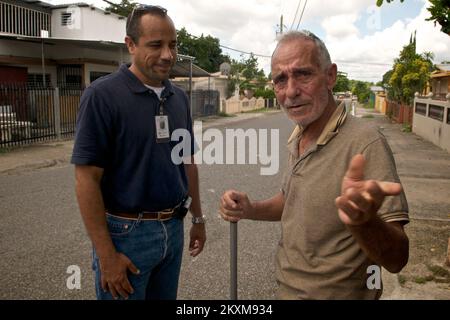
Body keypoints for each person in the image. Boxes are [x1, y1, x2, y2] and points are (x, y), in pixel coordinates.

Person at [219, 30, 409, 299]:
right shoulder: (300, 133)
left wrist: (364, 222)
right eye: (280, 79)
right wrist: (250, 208)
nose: (291, 91)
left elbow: (397, 259)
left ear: (330, 76)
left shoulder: (366, 143)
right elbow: (292, 200)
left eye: (303, 74)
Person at [71, 5, 206, 300]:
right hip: (126, 237)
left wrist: (197, 218)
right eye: (156, 45)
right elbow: (86, 180)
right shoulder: (102, 96)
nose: (168, 54)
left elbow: (187, 163)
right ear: (130, 45)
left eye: (173, 45)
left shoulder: (179, 98)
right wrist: (107, 256)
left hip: (174, 229)